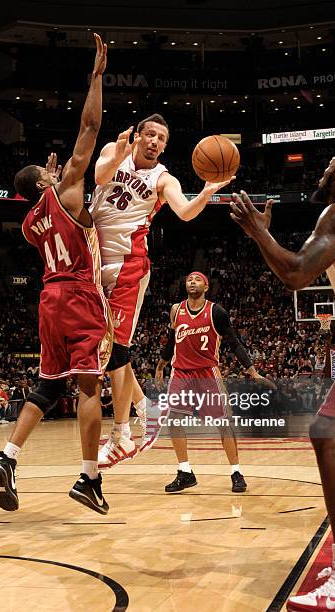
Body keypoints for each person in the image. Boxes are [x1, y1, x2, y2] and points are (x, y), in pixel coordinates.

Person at [230, 152, 335, 611]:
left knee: (327, 432)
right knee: (328, 433)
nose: (319, 175)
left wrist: (256, 230)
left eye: (326, 170)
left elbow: (297, 273)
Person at [0, 33, 112, 515]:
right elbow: (89, 125)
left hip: (49, 300)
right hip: (80, 295)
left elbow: (47, 209)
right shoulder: (69, 191)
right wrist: (96, 78)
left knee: (48, 385)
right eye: (46, 170)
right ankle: (88, 477)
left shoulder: (27, 223)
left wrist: (52, 184)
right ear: (45, 179)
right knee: (88, 387)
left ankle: (7, 455)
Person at [91, 116, 234, 468]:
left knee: (116, 350)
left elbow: (184, 212)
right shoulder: (114, 152)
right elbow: (98, 176)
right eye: (150, 134)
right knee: (101, 349)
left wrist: (205, 192)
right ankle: (145, 407)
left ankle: (121, 434)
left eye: (162, 138)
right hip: (92, 258)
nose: (155, 141)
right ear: (138, 135)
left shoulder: (163, 178)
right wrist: (118, 154)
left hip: (128, 265)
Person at [155, 272, 271, 493]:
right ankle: (185, 471)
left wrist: (252, 371)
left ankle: (236, 472)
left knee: (224, 421)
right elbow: (172, 340)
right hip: (181, 372)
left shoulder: (216, 311)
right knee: (174, 419)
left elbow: (234, 343)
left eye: (197, 280)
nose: (192, 282)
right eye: (189, 279)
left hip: (208, 372)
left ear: (206, 287)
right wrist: (161, 365)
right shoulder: (175, 310)